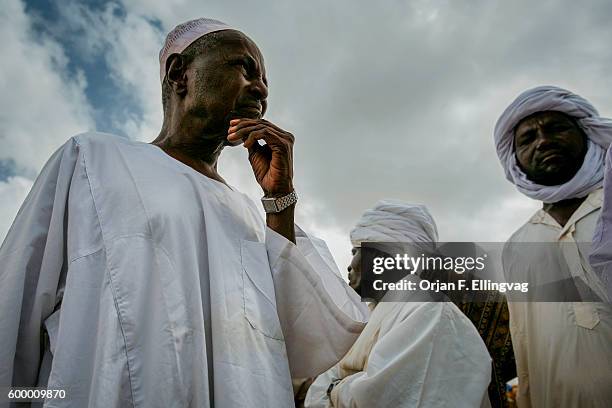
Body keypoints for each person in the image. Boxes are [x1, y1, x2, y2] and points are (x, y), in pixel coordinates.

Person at [0, 18, 369, 407]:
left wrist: (280, 199)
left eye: (265, 82)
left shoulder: (250, 214)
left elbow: (302, 341)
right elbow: (14, 311)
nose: (260, 88)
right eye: (246, 69)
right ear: (180, 74)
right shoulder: (93, 161)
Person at [304, 200, 492, 408]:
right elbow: (318, 389)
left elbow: (380, 398)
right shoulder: (368, 317)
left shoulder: (428, 313)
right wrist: (343, 386)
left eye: (355, 251)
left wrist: (335, 389)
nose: (349, 265)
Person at [494, 85, 612, 407]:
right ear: (515, 159)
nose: (543, 141)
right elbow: (524, 342)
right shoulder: (518, 245)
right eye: (528, 139)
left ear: (586, 135)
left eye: (556, 128)